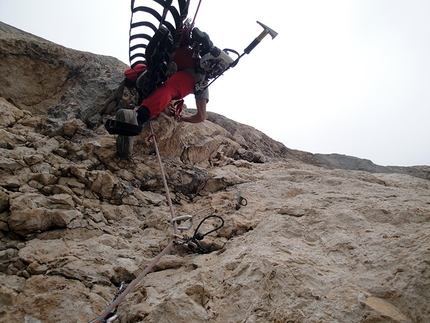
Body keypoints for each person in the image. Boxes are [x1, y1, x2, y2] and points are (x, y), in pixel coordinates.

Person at [113, 27, 212, 159]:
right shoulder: (202, 80)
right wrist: (182, 118)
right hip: (190, 69)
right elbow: (201, 116)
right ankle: (138, 118)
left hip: (174, 52)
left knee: (149, 69)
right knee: (169, 89)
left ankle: (143, 75)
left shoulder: (192, 57)